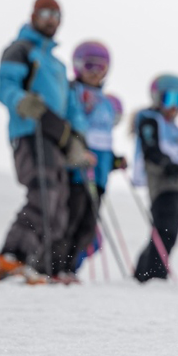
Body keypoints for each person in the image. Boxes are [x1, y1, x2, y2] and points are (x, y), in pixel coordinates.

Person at [0, 0, 92, 284]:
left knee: (59, 206)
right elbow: (4, 84)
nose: (51, 19)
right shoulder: (21, 50)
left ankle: (39, 265)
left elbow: (73, 109)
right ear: (33, 15)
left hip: (56, 138)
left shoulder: (57, 66)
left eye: (56, 15)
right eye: (45, 13)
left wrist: (77, 141)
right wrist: (20, 101)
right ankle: (11, 257)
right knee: (43, 195)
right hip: (30, 132)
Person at [52, 41, 126, 283]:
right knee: (71, 218)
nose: (95, 72)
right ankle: (56, 267)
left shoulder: (106, 102)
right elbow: (74, 127)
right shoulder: (74, 93)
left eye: (101, 67)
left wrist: (113, 161)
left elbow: (103, 139)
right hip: (78, 170)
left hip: (100, 174)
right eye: (89, 65)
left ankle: (70, 268)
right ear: (78, 66)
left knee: (88, 223)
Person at [132, 74, 178, 283]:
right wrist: (170, 166)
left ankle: (146, 273)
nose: (173, 106)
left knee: (170, 231)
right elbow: (152, 151)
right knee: (165, 229)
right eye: (167, 99)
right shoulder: (149, 120)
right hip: (163, 185)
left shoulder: (175, 129)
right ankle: (152, 274)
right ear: (156, 98)